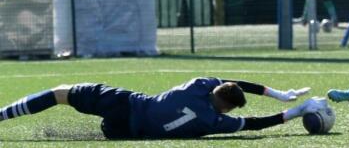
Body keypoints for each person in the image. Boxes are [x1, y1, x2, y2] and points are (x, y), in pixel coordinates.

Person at [0, 77, 321, 139]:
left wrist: (276, 92)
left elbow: (233, 80)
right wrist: (294, 111)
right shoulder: (213, 122)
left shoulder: (199, 85)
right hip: (123, 133)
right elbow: (254, 125)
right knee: (105, 128)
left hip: (124, 102)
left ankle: (1, 116)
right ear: (224, 108)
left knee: (60, 93)